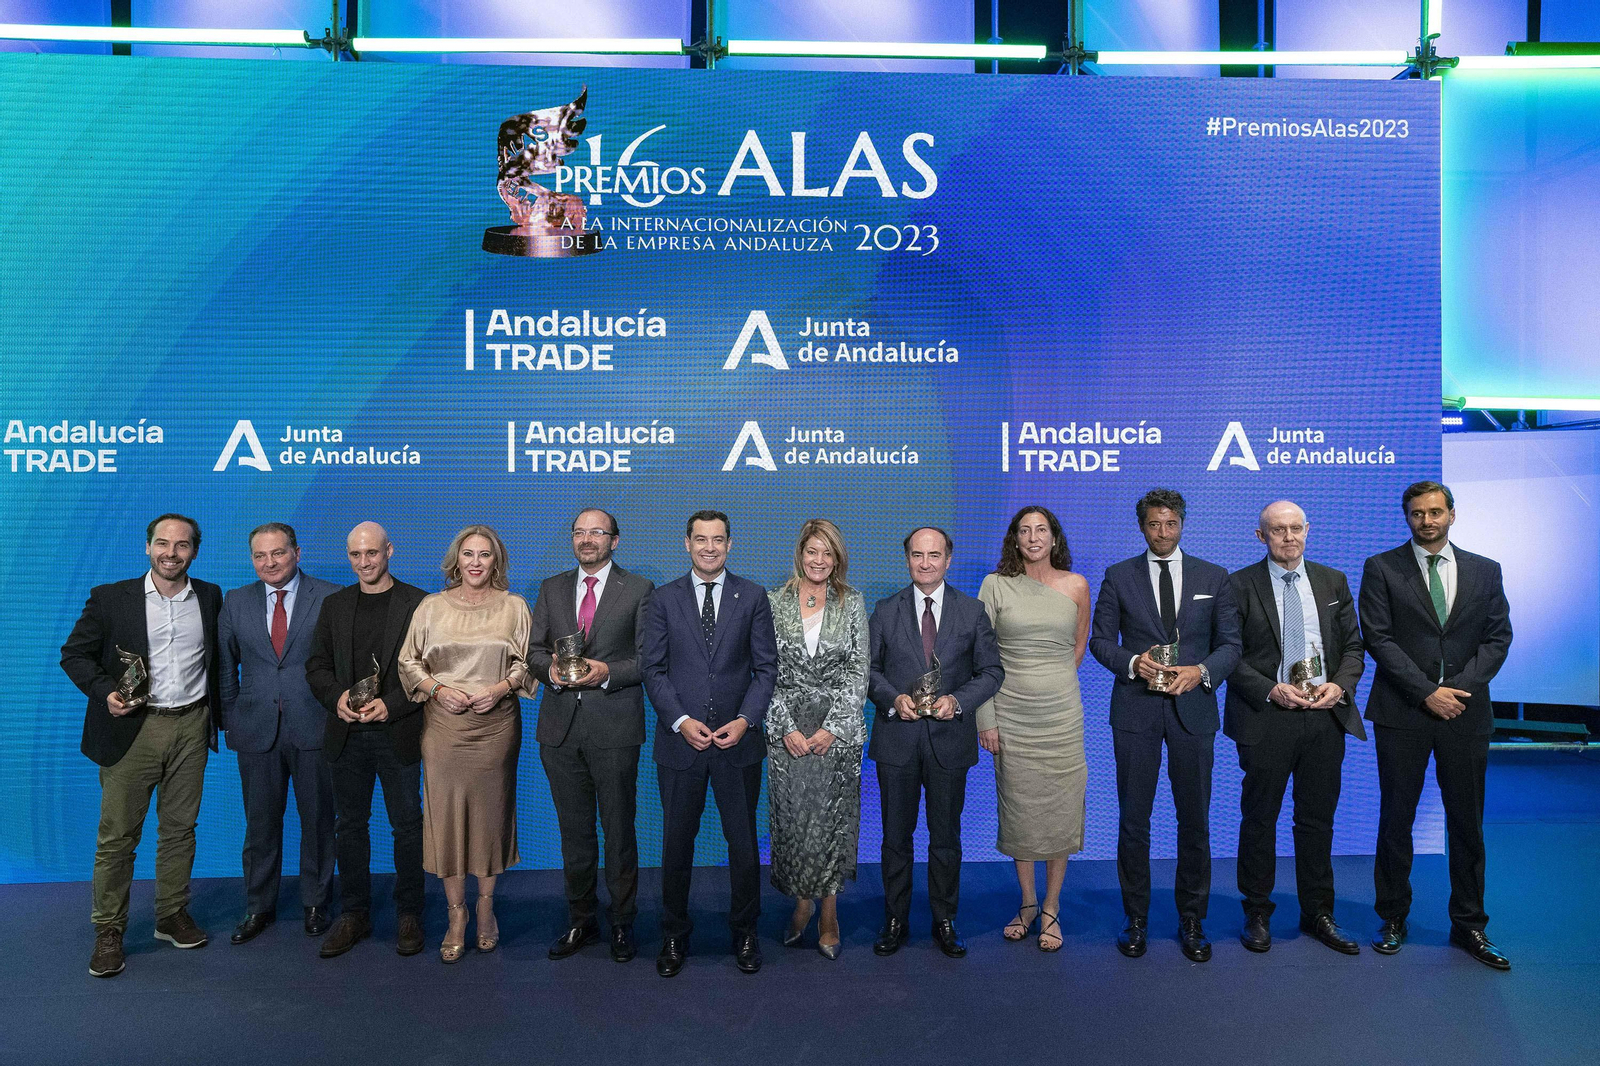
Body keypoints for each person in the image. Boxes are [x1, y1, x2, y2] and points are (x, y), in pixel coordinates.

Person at [1360, 481, 1513, 970]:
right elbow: (1378, 639)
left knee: (1466, 822)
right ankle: (1392, 918)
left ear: (1452, 514)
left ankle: (1470, 924)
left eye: (1434, 512)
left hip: (1465, 713)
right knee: (1396, 819)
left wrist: (1457, 692)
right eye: (1416, 514)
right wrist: (1427, 692)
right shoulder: (1381, 567)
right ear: (1406, 517)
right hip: (1402, 712)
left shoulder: (1486, 571)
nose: (1426, 521)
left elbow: (1497, 638)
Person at [61, 514, 221, 978]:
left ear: (195, 550)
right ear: (147, 547)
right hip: (133, 730)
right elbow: (74, 654)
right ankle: (109, 930)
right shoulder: (111, 598)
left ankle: (171, 914)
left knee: (179, 830)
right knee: (118, 838)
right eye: (163, 544)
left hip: (192, 726)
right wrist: (105, 691)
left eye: (182, 545)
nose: (172, 553)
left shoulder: (209, 597)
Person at [1089, 488, 1240, 962]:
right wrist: (1134, 662)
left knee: (1194, 820)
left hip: (1193, 712)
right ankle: (1135, 918)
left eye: (1170, 523)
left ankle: (1192, 920)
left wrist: (1200, 673)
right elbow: (1098, 642)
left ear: (1182, 523)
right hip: (1135, 711)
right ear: (1142, 527)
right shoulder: (1118, 576)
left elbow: (1231, 645)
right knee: (1134, 820)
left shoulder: (1214, 577)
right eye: (1154, 524)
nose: (1162, 532)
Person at [639, 510, 778, 977]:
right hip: (682, 746)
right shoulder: (661, 600)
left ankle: (745, 933)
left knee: (743, 848)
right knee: (677, 846)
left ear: (730, 545)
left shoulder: (753, 596)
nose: (710, 548)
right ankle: (674, 936)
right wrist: (679, 720)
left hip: (738, 745)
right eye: (701, 539)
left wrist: (745, 721)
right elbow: (653, 671)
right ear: (687, 544)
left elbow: (766, 670)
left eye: (718, 540)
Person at [1225, 501, 1366, 955]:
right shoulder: (1239, 584)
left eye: (1295, 529)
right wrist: (1270, 689)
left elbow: (1354, 649)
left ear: (1308, 530)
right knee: (1260, 818)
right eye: (1277, 530)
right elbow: (1228, 654)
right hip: (1267, 717)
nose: (1288, 537)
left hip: (1324, 716)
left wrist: (1339, 688)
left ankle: (1318, 913)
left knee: (1317, 820)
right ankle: (1258, 912)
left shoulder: (1332, 581)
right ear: (1260, 536)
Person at [397, 525, 533, 963]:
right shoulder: (430, 606)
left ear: (497, 561)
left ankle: (486, 908)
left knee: (490, 818)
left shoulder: (515, 607)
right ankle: (456, 915)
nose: (476, 562)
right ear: (456, 560)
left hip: (495, 727)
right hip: (443, 728)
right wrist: (438, 690)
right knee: (447, 820)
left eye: (485, 555)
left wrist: (498, 689)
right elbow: (408, 661)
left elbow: (527, 663)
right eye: (468, 554)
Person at [868, 527, 1004, 960]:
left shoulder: (972, 611)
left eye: (934, 555)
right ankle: (896, 918)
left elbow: (991, 672)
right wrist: (894, 699)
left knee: (946, 837)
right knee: (895, 838)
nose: (925, 562)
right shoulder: (885, 610)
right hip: (897, 740)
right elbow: (867, 672)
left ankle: (945, 918)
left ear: (948, 559)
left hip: (949, 741)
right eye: (917, 555)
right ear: (906, 559)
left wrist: (957, 702)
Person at [527, 508, 654, 964]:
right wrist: (553, 671)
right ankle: (581, 920)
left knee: (619, 832)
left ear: (615, 541)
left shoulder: (639, 590)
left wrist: (605, 673)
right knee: (574, 833)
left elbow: (647, 660)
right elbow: (533, 652)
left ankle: (622, 924)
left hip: (615, 728)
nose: (586, 539)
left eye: (596, 532)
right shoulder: (552, 588)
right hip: (559, 731)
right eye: (579, 532)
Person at [304, 522, 429, 958]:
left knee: (408, 828)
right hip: (346, 735)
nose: (363, 562)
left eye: (372, 553)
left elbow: (430, 670)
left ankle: (410, 912)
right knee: (349, 827)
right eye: (355, 555)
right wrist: (336, 697)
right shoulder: (335, 604)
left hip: (398, 732)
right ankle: (354, 913)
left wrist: (391, 705)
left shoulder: (418, 603)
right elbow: (316, 666)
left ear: (389, 551)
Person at [975, 506, 1091, 953]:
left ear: (1055, 538)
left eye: (1041, 529)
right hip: (1011, 713)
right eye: (1024, 530)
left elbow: (1077, 648)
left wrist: (1050, 682)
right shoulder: (994, 585)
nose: (1033, 537)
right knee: (1021, 809)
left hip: (1061, 715)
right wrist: (986, 718)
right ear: (1015, 540)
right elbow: (982, 656)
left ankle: (1052, 907)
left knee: (1060, 809)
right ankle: (1026, 904)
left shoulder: (1077, 585)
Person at [219, 522, 339, 944]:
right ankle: (258, 907)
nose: (269, 563)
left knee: (319, 822)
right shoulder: (235, 601)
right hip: (255, 730)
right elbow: (224, 667)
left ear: (297, 553)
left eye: (278, 553)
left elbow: (340, 663)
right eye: (259, 555)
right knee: (260, 825)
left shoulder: (328, 596)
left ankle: (315, 903)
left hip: (316, 727)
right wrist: (232, 717)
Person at [766, 519, 869, 960]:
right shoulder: (773, 602)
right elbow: (761, 669)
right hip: (786, 730)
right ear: (800, 553)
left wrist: (834, 728)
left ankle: (829, 911)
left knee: (831, 823)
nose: (820, 561)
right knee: (794, 823)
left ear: (837, 558)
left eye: (828, 553)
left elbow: (859, 670)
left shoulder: (853, 602)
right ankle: (801, 901)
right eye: (812, 552)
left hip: (837, 734)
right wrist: (785, 726)